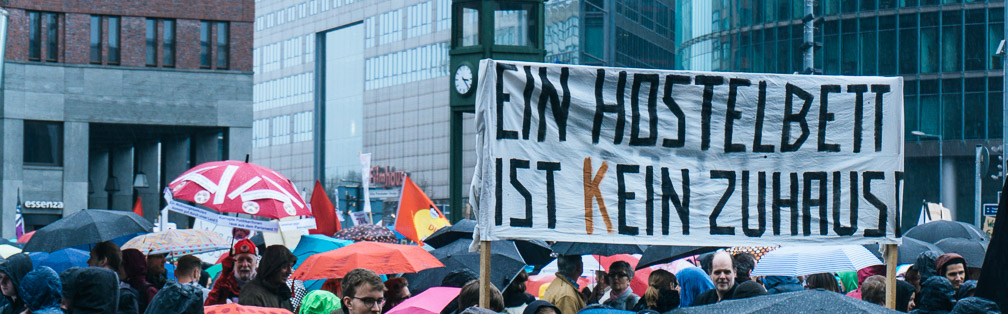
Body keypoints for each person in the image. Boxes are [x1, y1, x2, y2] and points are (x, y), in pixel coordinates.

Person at [239, 245, 297, 311]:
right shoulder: (251, 293)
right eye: (284, 267)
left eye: (291, 266)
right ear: (272, 267)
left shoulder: (283, 292)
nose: (289, 272)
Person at [87, 241, 138, 314]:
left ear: (103, 261)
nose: (88, 261)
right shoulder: (91, 292)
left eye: (92, 257)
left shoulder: (125, 297)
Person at [205, 238, 258, 305]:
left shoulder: (262, 284)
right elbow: (209, 307)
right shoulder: (224, 281)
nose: (245, 264)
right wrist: (223, 278)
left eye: (249, 260)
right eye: (240, 260)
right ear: (233, 263)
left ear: (256, 262)